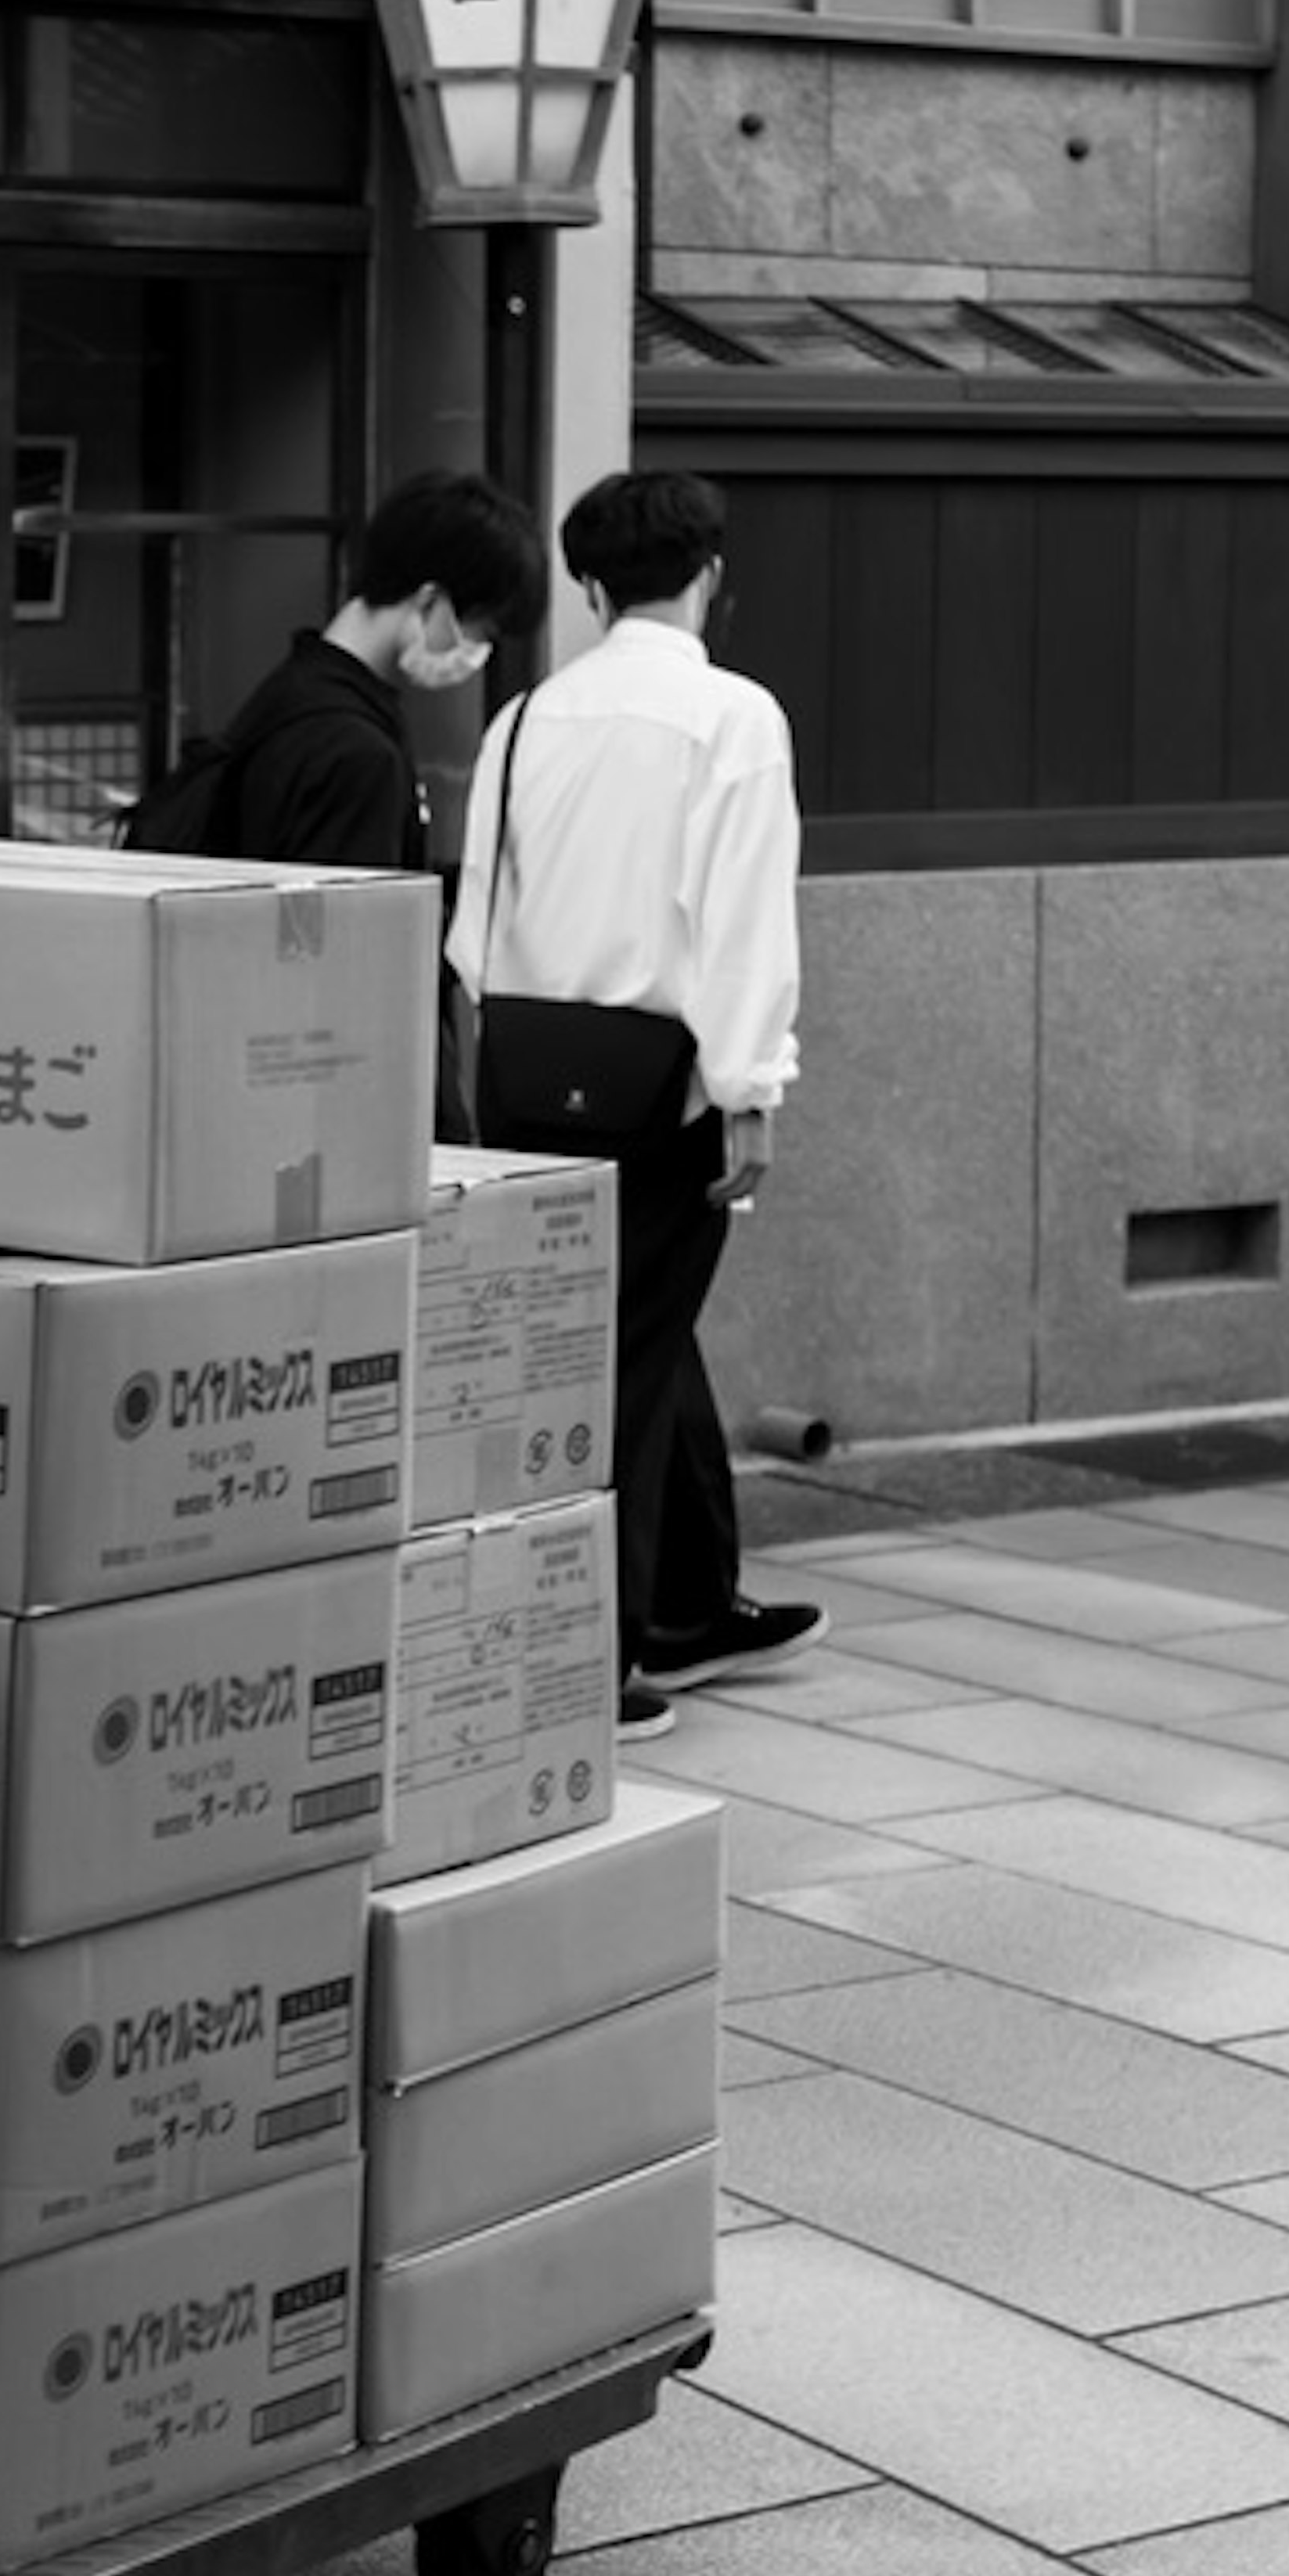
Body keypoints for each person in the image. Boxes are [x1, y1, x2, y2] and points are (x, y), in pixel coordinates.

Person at [448, 465, 826, 1740]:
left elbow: (471, 934)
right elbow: (743, 923)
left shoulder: (521, 720)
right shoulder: (735, 717)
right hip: (663, 1092)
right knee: (614, 1365)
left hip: (524, 1085)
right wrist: (750, 1091)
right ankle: (590, 1660)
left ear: (592, 587)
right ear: (712, 578)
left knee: (618, 1344)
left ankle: (682, 1603)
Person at [203, 466, 549, 876]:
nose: (478, 654)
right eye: (483, 631)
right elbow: (350, 930)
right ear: (431, 601)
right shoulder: (357, 752)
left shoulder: (293, 696)